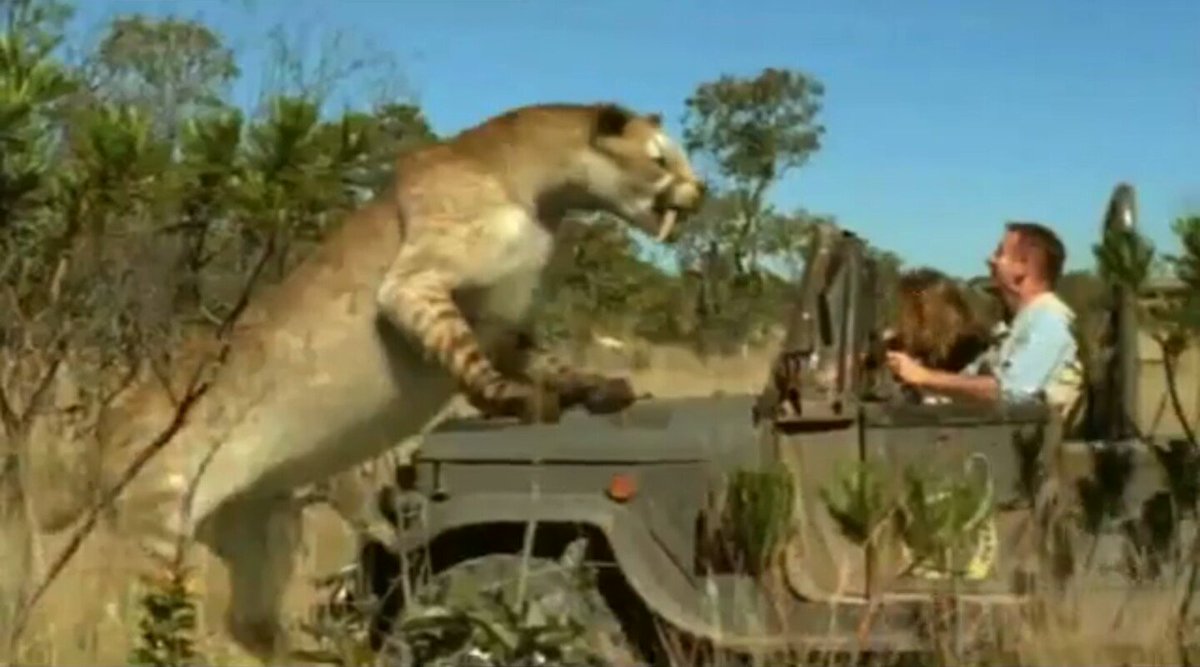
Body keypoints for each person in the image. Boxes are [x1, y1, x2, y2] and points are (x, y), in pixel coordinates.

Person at [885, 221, 1084, 416]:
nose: (990, 260)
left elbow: (1012, 394)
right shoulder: (1021, 326)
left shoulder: (1049, 322)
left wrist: (925, 378)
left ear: (1021, 267)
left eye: (999, 253)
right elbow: (968, 381)